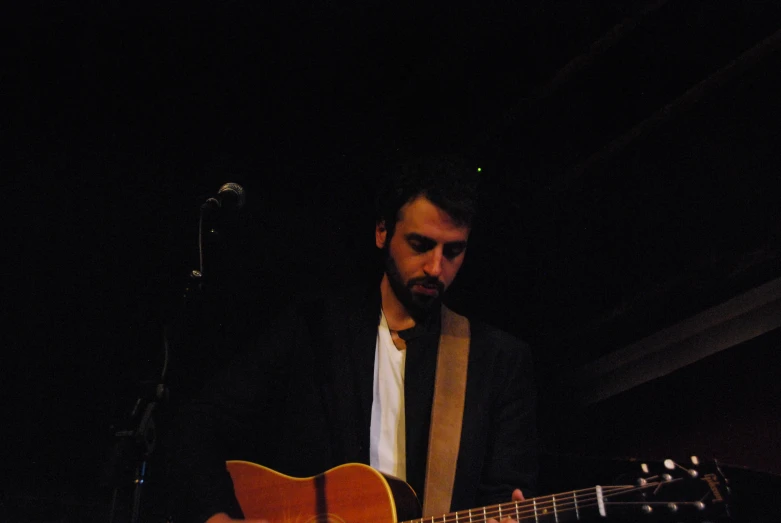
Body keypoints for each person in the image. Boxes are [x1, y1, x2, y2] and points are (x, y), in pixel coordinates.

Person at [167, 155, 538, 523]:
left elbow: (505, 493)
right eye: (421, 244)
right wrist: (218, 517)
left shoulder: (496, 362)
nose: (436, 267)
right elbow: (199, 423)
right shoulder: (314, 329)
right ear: (382, 232)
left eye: (453, 251)